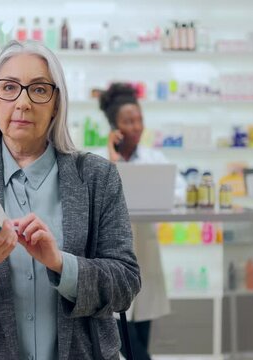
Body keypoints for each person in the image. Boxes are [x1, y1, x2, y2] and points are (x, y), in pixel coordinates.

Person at [0, 41, 140, 360]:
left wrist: (60, 263)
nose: (23, 102)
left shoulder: (97, 177)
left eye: (39, 90)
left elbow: (125, 283)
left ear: (57, 103)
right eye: (10, 88)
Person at [97, 83, 186, 360]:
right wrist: (114, 163)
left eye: (139, 120)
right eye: (128, 121)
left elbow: (180, 190)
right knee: (125, 341)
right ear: (115, 126)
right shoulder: (100, 161)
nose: (136, 126)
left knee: (142, 340)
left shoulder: (154, 158)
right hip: (112, 260)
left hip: (145, 258)